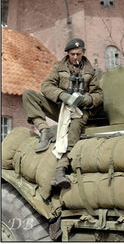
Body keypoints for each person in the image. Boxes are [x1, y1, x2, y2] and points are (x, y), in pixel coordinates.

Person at [23, 38, 103, 188]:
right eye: (72, 54)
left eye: (78, 54)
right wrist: (63, 96)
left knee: (74, 129)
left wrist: (87, 99)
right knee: (29, 95)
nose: (75, 57)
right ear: (67, 54)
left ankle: (61, 169)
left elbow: (99, 94)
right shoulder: (58, 68)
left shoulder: (91, 72)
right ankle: (44, 130)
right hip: (61, 108)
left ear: (83, 53)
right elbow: (46, 86)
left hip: (81, 111)